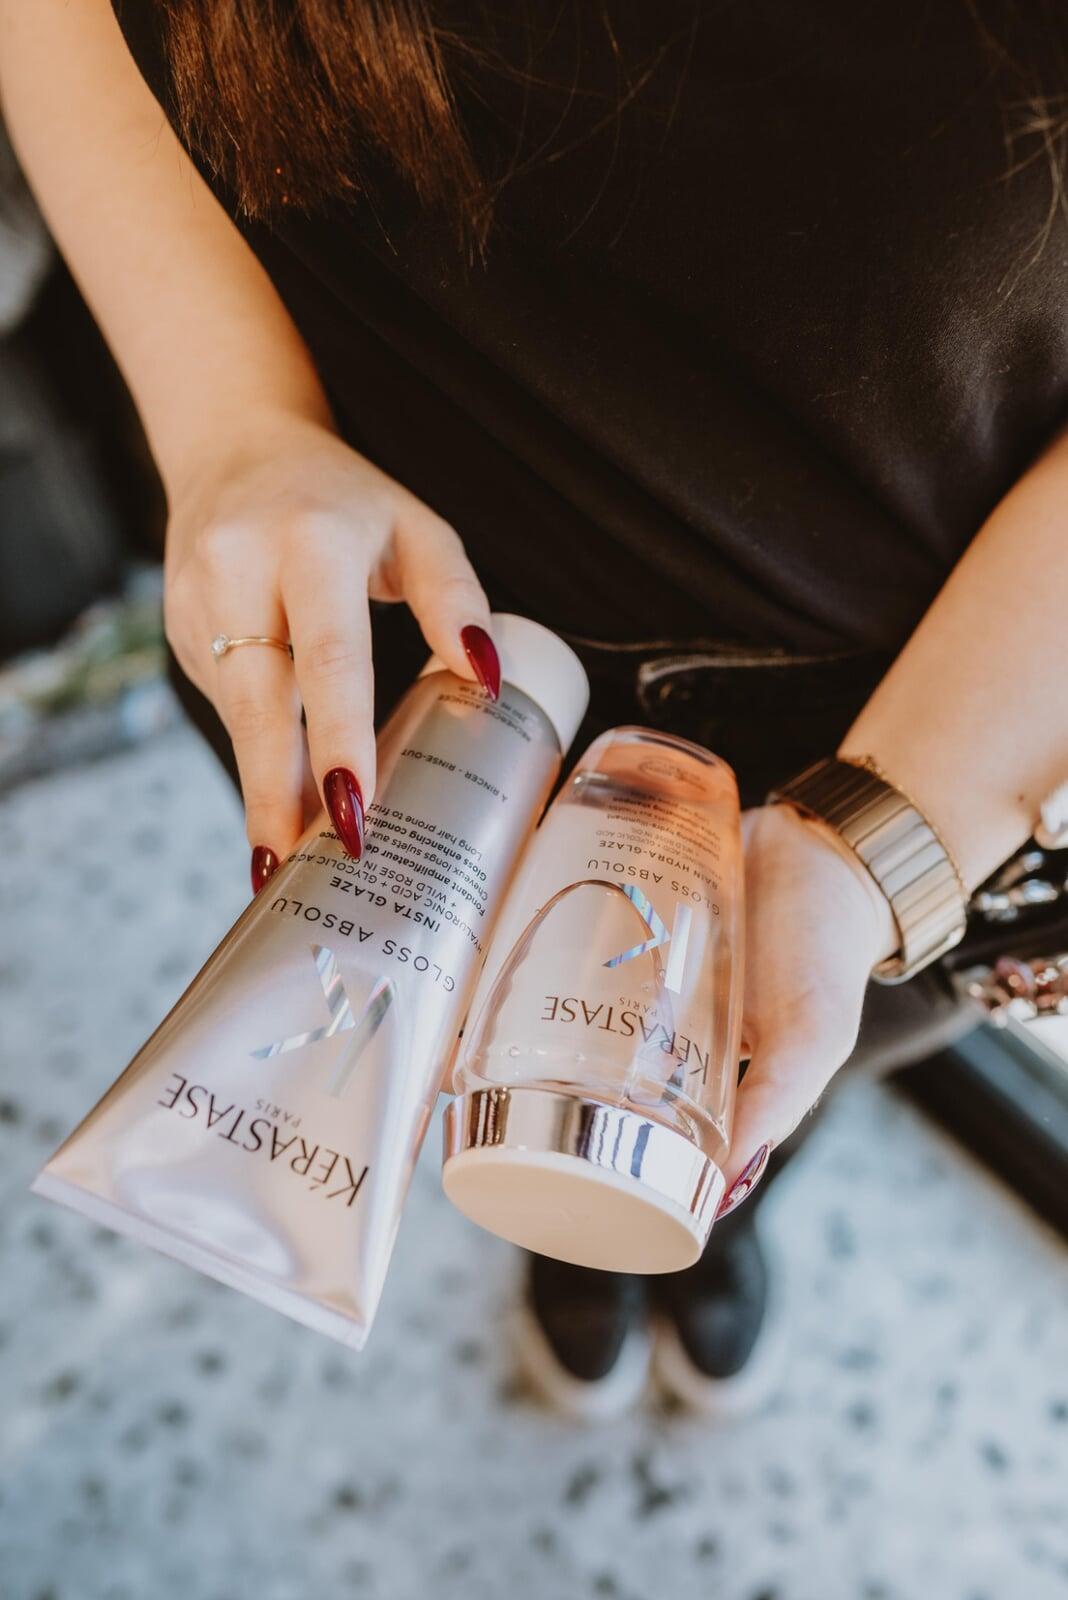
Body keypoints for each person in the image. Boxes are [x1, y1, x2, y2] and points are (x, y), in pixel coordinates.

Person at [3, 0, 1065, 1419]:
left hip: (931, 727)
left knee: (765, 1078)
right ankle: (566, 1246)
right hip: (384, 634)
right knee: (457, 1076)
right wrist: (235, 428)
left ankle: (718, 1218)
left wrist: (881, 840)